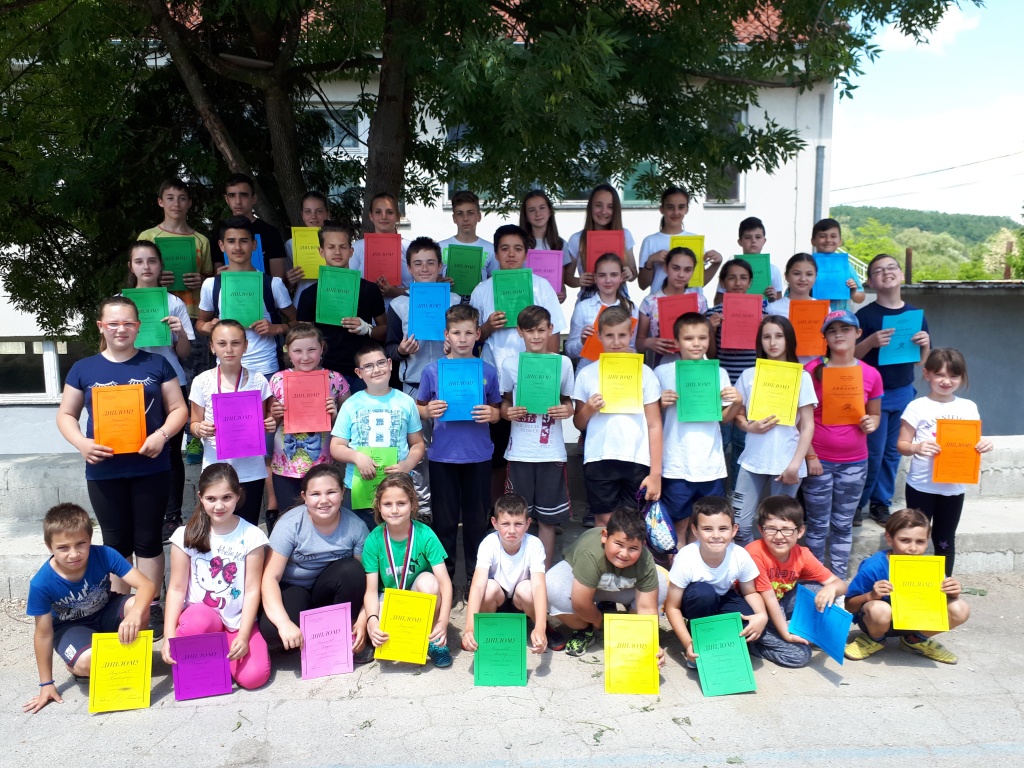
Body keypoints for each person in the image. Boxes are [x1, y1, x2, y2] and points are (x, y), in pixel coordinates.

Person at [57, 296, 188, 599]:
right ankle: (121, 607)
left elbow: (178, 409)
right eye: (113, 323)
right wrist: (81, 443)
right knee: (116, 543)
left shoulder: (157, 363)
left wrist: (162, 435)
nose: (121, 329)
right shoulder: (83, 368)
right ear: (101, 326)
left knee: (148, 541)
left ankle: (150, 604)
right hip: (104, 469)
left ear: (138, 326)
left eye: (128, 323)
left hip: (151, 466)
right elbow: (66, 414)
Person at [23, 503, 157, 713]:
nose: (74, 554)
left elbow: (146, 585)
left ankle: (131, 660)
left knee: (137, 606)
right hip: (70, 628)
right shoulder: (41, 583)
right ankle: (77, 664)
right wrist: (46, 684)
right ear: (49, 547)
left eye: (81, 544)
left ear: (90, 539)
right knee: (88, 662)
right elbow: (43, 635)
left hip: (105, 610)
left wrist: (135, 615)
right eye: (63, 548)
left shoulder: (105, 554)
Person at [471, 224, 565, 502]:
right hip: (495, 379)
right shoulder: (482, 290)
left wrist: (547, 375)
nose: (511, 254)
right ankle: (497, 509)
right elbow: (471, 337)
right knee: (497, 449)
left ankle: (535, 508)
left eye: (517, 248)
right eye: (504, 248)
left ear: (526, 253)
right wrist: (488, 326)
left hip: (534, 379)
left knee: (534, 446)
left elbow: (554, 334)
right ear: (495, 253)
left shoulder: (541, 286)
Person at [162, 463, 270, 690]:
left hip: (237, 621)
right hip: (202, 617)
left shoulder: (252, 535)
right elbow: (176, 589)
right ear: (200, 498)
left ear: (238, 495)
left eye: (226, 498)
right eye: (211, 499)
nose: (219, 506)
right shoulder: (185, 535)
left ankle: (222, 657)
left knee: (254, 677)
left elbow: (252, 590)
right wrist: (168, 636)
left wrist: (243, 635)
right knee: (197, 620)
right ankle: (204, 659)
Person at [417, 304, 502, 583]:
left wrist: (493, 414)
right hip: (443, 456)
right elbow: (418, 407)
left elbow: (497, 409)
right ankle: (446, 581)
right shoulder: (432, 371)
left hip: (478, 456)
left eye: (468, 332)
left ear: (478, 334)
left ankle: (475, 580)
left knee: (477, 522)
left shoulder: (488, 370)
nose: (462, 339)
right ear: (447, 335)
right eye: (456, 333)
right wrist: (428, 411)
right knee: (445, 522)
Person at [122, 241, 196, 542]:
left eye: (152, 261)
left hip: (169, 382)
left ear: (161, 265)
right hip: (129, 383)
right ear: (131, 266)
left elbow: (185, 353)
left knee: (170, 451)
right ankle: (138, 512)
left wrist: (179, 331)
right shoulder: (120, 303)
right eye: (139, 261)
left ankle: (171, 516)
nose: (146, 267)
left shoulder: (174, 302)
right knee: (131, 447)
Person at [259, 464, 372, 662]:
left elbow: (367, 579)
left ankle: (347, 631)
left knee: (352, 571)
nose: (324, 500)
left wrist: (363, 620)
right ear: (304, 496)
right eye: (315, 494)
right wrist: (284, 623)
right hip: (294, 588)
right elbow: (270, 578)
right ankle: (310, 635)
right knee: (272, 630)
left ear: (342, 492)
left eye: (331, 492)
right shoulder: (289, 524)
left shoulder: (356, 526)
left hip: (330, 591)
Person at [802, 310, 882, 579]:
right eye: (832, 330)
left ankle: (837, 581)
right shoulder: (811, 371)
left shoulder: (871, 374)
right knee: (816, 525)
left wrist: (871, 423)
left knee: (843, 524)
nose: (839, 335)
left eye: (845, 329)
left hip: (855, 462)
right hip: (818, 461)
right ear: (824, 337)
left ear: (858, 333)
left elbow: (875, 414)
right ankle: (814, 580)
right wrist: (810, 455)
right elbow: (800, 419)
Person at [898, 348, 993, 575]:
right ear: (927, 374)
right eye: (940, 374)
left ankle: (944, 588)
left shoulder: (968, 407)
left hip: (953, 487)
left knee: (945, 540)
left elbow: (973, 442)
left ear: (962, 377)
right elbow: (902, 444)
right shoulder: (917, 406)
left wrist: (983, 444)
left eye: (954, 376)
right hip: (921, 485)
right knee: (913, 538)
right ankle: (909, 587)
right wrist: (917, 447)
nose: (946, 381)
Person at [855, 253, 931, 525]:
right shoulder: (865, 316)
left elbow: (921, 362)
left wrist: (925, 344)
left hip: (903, 391)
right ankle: (857, 503)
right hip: (871, 396)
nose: (886, 273)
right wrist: (870, 342)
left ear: (901, 274)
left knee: (892, 452)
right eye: (878, 270)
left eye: (891, 268)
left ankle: (881, 503)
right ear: (870, 282)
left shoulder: (914, 315)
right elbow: (849, 356)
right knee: (871, 453)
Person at [573, 306, 663, 528]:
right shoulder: (586, 374)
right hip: (599, 457)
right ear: (599, 335)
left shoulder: (645, 373)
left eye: (622, 335)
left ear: (631, 334)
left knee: (635, 523)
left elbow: (654, 424)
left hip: (636, 458)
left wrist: (655, 473)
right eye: (609, 335)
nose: (616, 342)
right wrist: (588, 409)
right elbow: (578, 422)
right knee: (604, 520)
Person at [656, 312, 742, 544]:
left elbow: (724, 419)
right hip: (676, 464)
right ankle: (679, 567)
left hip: (710, 464)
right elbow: (650, 417)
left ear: (710, 339)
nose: (696, 344)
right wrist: (659, 403)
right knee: (679, 525)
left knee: (707, 526)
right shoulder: (662, 373)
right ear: (676, 341)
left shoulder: (719, 373)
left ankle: (703, 566)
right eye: (689, 338)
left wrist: (737, 402)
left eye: (702, 338)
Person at [500, 305, 576, 568]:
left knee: (547, 520)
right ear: (520, 332)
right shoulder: (511, 364)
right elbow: (504, 403)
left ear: (551, 330)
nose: (536, 336)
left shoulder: (563, 363)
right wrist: (508, 412)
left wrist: (566, 410)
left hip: (550, 452)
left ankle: (542, 573)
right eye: (530, 330)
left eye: (541, 330)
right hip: (520, 452)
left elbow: (568, 402)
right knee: (516, 517)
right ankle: (517, 571)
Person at [844, 508, 970, 664]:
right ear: (889, 538)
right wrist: (871, 595)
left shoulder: (930, 567)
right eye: (905, 540)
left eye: (920, 542)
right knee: (879, 609)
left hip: (916, 622)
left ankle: (915, 640)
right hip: (877, 622)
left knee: (960, 608)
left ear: (927, 541)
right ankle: (874, 640)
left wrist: (952, 593)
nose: (913, 548)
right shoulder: (874, 566)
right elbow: (849, 605)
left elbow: (942, 600)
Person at [731, 316, 817, 545]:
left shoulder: (802, 377)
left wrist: (796, 465)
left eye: (779, 336)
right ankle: (750, 565)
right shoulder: (749, 375)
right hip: (752, 460)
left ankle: (774, 567)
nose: (772, 342)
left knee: (779, 528)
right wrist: (748, 426)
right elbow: (736, 414)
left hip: (787, 461)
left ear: (789, 339)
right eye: (766, 337)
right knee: (739, 524)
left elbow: (807, 424)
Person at [545, 507, 668, 657]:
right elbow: (580, 602)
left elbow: (647, 608)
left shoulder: (645, 559)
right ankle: (584, 629)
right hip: (583, 585)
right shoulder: (590, 552)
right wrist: (600, 622)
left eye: (633, 548)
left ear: (643, 545)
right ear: (604, 536)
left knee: (661, 582)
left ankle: (632, 631)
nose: (624, 553)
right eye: (619, 544)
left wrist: (650, 642)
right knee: (551, 586)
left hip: (619, 586)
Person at [188, 320, 276, 527]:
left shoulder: (258, 380)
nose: (229, 349)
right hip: (216, 467)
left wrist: (269, 423)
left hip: (251, 469)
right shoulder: (202, 381)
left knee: (248, 525)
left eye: (235, 343)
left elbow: (265, 418)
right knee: (217, 527)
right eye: (222, 343)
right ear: (212, 347)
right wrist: (200, 429)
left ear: (246, 346)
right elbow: (194, 423)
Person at [663, 496, 768, 668]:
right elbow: (672, 607)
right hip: (696, 600)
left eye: (723, 528)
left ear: (734, 530)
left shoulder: (740, 555)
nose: (716, 535)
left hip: (724, 596)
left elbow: (750, 592)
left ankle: (719, 641)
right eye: (707, 529)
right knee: (704, 593)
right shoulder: (686, 558)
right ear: (695, 531)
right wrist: (688, 643)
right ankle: (696, 641)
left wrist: (762, 615)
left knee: (751, 625)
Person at [329, 342, 426, 529]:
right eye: (368, 366)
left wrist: (407, 465)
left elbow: (417, 443)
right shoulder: (351, 404)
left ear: (390, 364)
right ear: (359, 373)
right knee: (361, 538)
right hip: (360, 487)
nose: (376, 370)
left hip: (398, 486)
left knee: (397, 536)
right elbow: (336, 446)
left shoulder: (406, 402)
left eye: (381, 363)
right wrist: (356, 457)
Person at [363, 474, 454, 668]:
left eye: (401, 503)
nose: (394, 510)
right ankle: (398, 638)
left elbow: (445, 583)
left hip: (416, 597)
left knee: (430, 583)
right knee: (376, 627)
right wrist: (372, 621)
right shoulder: (373, 540)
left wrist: (443, 621)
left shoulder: (425, 534)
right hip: (389, 600)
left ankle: (433, 639)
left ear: (413, 504)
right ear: (379, 506)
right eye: (387, 504)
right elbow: (370, 590)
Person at [745, 495, 847, 668]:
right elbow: (769, 598)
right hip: (757, 611)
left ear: (800, 531)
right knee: (800, 655)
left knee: (819, 589)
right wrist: (786, 634)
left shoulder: (802, 554)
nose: (779, 536)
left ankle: (799, 631)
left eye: (786, 529)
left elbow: (841, 585)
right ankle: (755, 644)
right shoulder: (755, 552)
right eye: (771, 529)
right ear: (761, 530)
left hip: (781, 604)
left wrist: (832, 588)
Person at [269, 324, 350, 526]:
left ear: (322, 348)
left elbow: (350, 425)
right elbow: (268, 424)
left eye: (312, 349)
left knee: (325, 518)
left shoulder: (335, 379)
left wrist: (335, 415)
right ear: (288, 351)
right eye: (298, 351)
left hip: (324, 465)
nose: (305, 357)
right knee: (289, 519)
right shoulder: (278, 380)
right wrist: (275, 414)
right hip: (286, 465)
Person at [196, 215, 297, 378]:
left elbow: (298, 321)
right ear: (221, 245)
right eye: (231, 241)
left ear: (254, 244)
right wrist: (208, 327)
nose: (237, 247)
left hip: (266, 368)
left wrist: (278, 328)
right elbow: (200, 323)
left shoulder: (272, 284)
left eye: (244, 241)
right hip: (227, 370)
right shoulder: (211, 285)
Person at [297, 221, 387, 393]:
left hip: (363, 371)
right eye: (331, 247)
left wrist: (367, 329)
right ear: (321, 251)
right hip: (325, 370)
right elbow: (301, 338)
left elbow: (386, 331)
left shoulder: (369, 290)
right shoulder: (309, 294)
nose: (337, 252)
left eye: (343, 247)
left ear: (351, 251)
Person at [462, 493, 552, 654]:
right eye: (505, 524)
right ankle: (484, 628)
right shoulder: (488, 543)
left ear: (528, 524)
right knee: (488, 588)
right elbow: (477, 586)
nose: (511, 530)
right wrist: (469, 628)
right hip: (498, 600)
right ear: (494, 523)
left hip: (520, 601)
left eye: (518, 524)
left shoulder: (534, 545)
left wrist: (541, 626)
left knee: (528, 589)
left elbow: (539, 586)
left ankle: (539, 628)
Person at [706, 258, 769, 489]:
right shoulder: (713, 313)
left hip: (752, 385)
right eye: (731, 278)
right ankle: (716, 489)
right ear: (723, 282)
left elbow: (766, 352)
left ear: (751, 282)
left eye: (743, 278)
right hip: (723, 385)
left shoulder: (763, 311)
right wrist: (711, 329)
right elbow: (711, 355)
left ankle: (736, 491)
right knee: (721, 438)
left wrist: (765, 327)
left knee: (743, 440)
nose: (738, 283)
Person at [385, 236, 460, 396]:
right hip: (414, 385)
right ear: (409, 268)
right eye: (418, 263)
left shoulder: (455, 301)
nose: (424, 268)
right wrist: (401, 350)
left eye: (430, 263)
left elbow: (469, 339)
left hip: (451, 381)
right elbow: (390, 347)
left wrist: (455, 347)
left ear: (440, 266)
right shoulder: (398, 304)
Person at [137, 177, 214, 323]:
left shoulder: (201, 240)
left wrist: (202, 280)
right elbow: (135, 276)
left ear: (189, 202)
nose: (176, 204)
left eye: (182, 198)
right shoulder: (148, 237)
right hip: (157, 311)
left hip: (193, 314)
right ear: (160, 202)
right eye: (170, 198)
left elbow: (210, 279)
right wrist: (155, 278)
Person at [637, 186, 722, 294]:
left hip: (690, 301)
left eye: (681, 207)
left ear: (686, 209)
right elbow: (642, 285)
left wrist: (716, 264)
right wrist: (650, 261)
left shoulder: (694, 240)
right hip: (660, 302)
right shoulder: (650, 241)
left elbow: (699, 282)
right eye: (670, 207)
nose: (676, 212)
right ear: (662, 209)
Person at [637, 247, 709, 367]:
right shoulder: (649, 302)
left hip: (694, 365)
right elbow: (638, 343)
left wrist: (711, 326)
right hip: (661, 365)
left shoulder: (700, 301)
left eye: (687, 270)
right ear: (666, 268)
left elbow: (705, 338)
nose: (681, 275)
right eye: (675, 268)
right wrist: (648, 342)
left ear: (693, 271)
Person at [565, 252, 638, 369]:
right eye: (602, 275)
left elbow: (632, 347)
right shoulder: (583, 308)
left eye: (614, 275)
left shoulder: (631, 308)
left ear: (622, 277)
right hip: (587, 371)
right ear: (595, 277)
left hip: (619, 372)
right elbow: (569, 351)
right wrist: (582, 342)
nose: (608, 280)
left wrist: (631, 353)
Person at [563, 184, 638, 289]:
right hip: (588, 297)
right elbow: (567, 277)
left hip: (619, 297)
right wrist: (578, 281)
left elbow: (634, 272)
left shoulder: (625, 235)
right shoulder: (577, 239)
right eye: (598, 205)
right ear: (590, 207)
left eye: (610, 207)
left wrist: (630, 273)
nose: (604, 211)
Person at [214, 172, 288, 280]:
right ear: (226, 199)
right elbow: (217, 273)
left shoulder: (270, 233)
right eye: (232, 195)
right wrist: (218, 278)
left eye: (244, 195)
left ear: (254, 198)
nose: (238, 201)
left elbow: (277, 280)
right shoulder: (219, 233)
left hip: (263, 290)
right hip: (230, 288)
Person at [349, 192, 412, 302]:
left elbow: (424, 287)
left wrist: (396, 292)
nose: (383, 216)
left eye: (389, 212)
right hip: (367, 310)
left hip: (402, 310)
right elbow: (349, 285)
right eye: (378, 212)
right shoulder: (357, 247)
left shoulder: (410, 248)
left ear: (398, 216)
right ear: (371, 216)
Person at [438, 189, 498, 281]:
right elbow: (433, 281)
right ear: (454, 218)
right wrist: (440, 284)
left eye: (470, 213)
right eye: (460, 214)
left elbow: (493, 283)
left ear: (479, 216)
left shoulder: (490, 249)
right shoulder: (440, 247)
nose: (465, 218)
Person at [284, 190, 331, 302]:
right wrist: (289, 281)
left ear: (327, 214)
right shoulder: (291, 244)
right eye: (308, 212)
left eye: (319, 211)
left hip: (332, 301)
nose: (313, 217)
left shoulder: (338, 243)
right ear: (302, 215)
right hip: (302, 302)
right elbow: (286, 287)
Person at [810, 218, 865, 310]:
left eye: (833, 236)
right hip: (812, 315)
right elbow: (790, 294)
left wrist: (853, 292)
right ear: (813, 241)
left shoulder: (846, 266)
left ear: (840, 241)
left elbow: (860, 298)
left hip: (840, 317)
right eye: (822, 236)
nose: (828, 240)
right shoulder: (806, 265)